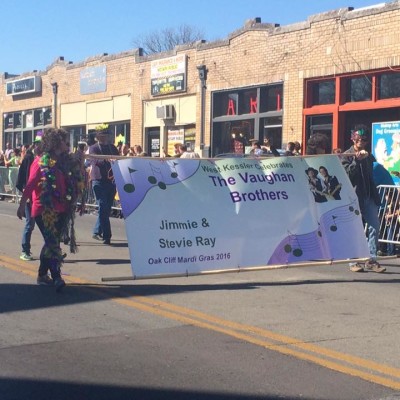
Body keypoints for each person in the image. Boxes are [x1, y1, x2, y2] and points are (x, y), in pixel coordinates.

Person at [17, 128, 84, 291]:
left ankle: (41, 275)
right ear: (55, 143)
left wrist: (80, 162)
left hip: (61, 207)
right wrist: (21, 204)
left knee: (50, 243)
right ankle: (56, 277)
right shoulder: (41, 162)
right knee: (53, 243)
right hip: (43, 209)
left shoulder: (64, 162)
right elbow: (31, 183)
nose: (67, 144)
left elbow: (77, 178)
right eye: (64, 141)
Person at [341, 124, 386, 273]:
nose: (361, 142)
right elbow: (347, 175)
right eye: (358, 139)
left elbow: (372, 175)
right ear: (353, 139)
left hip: (368, 196)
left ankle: (371, 260)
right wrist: (357, 160)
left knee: (374, 227)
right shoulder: (346, 155)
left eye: (364, 139)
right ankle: (353, 261)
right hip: (353, 198)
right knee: (354, 230)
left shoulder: (369, 155)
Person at [88, 123, 119, 245]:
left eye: (106, 135)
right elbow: (94, 160)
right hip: (99, 181)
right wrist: (106, 159)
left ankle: (96, 230)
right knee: (102, 206)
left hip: (111, 181)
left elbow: (119, 158)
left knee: (106, 208)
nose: (105, 138)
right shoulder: (93, 148)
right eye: (102, 135)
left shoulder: (112, 147)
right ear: (98, 137)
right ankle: (107, 235)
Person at [16, 138, 44, 261]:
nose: (40, 147)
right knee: (30, 224)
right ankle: (25, 250)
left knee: (47, 227)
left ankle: (52, 250)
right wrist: (25, 196)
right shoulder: (29, 158)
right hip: (29, 197)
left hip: (39, 197)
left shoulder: (44, 160)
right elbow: (25, 179)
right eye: (38, 144)